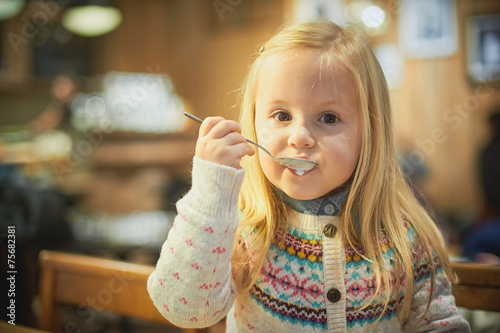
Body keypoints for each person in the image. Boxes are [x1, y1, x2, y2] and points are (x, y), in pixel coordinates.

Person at [148, 20, 470, 332]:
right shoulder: (241, 225)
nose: (299, 137)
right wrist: (211, 191)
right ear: (253, 123)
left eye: (328, 118)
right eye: (282, 115)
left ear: (370, 133)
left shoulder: (404, 235)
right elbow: (184, 309)